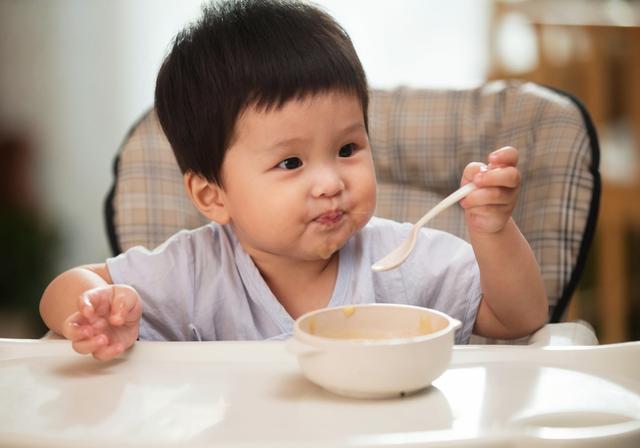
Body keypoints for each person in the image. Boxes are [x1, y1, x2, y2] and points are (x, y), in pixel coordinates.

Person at [39, 0, 547, 361]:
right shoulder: (194, 273)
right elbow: (64, 289)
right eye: (291, 163)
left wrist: (494, 232)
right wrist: (96, 310)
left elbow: (517, 319)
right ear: (211, 196)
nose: (329, 182)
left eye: (347, 149)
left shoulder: (405, 263)